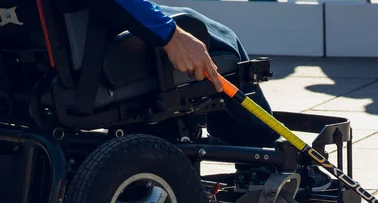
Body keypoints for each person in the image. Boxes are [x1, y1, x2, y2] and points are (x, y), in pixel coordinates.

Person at [85, 0, 331, 190]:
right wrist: (171, 35)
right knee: (216, 37)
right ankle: (270, 153)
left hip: (64, 56)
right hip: (92, 56)